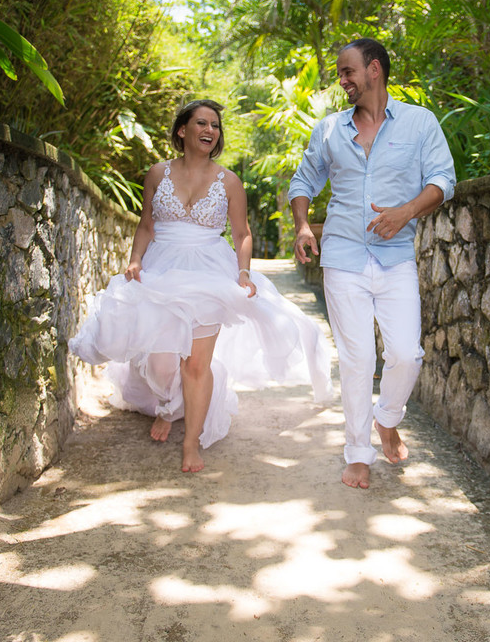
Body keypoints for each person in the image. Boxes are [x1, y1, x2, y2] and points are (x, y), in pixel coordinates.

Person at [70, 99, 332, 473]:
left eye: (215, 125)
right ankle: (167, 406)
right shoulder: (157, 173)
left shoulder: (230, 181)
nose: (210, 130)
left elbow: (242, 233)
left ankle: (191, 442)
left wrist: (243, 272)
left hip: (210, 270)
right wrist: (135, 258)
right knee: (161, 361)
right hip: (162, 268)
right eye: (202, 123)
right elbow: (146, 225)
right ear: (182, 130)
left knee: (195, 364)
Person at [289, 38, 456, 489]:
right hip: (342, 256)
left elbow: (443, 180)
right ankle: (358, 453)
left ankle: (388, 418)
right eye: (340, 74)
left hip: (395, 255)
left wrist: (405, 212)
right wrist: (303, 225)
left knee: (406, 353)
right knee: (358, 359)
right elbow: (303, 181)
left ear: (374, 70)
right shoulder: (329, 130)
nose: (342, 81)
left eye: (348, 72)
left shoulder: (420, 123)